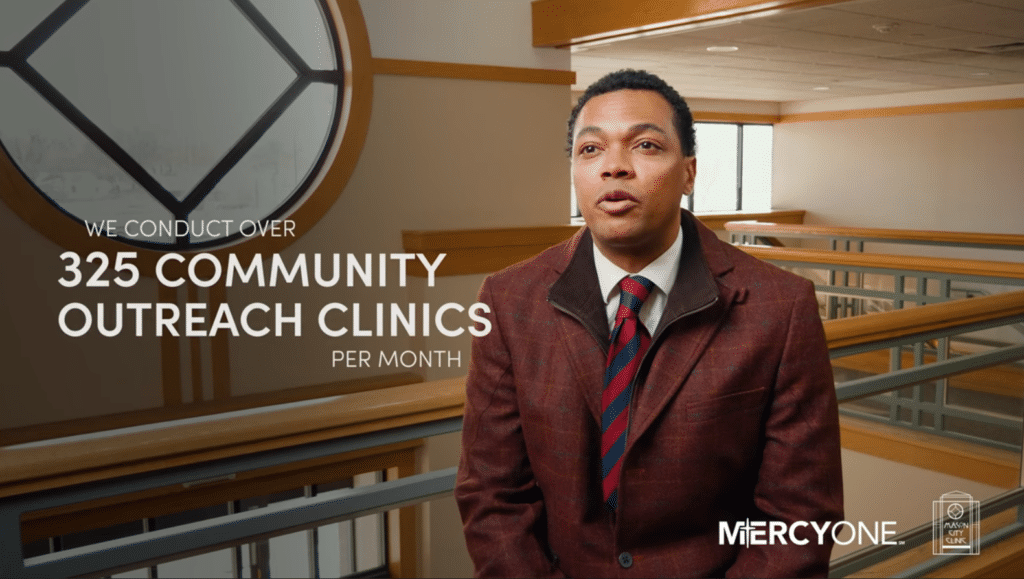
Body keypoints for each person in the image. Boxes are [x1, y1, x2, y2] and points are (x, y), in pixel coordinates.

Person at [455, 69, 843, 578]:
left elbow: (799, 519)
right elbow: (492, 493)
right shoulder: (509, 301)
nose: (614, 168)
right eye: (590, 150)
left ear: (688, 172)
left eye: (644, 145)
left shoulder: (780, 307)